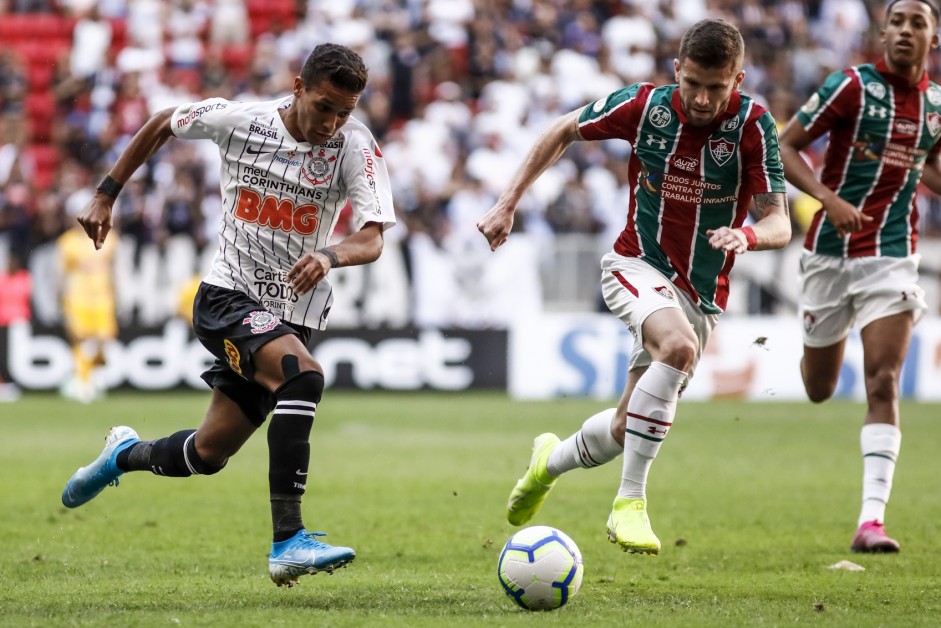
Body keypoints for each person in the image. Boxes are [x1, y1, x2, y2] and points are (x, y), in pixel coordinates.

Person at [61, 43, 396, 587]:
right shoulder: (242, 121)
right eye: (324, 106)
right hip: (227, 297)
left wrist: (329, 254)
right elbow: (163, 121)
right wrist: (106, 194)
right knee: (303, 376)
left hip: (296, 314)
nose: (332, 123)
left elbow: (374, 237)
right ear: (297, 87)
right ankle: (289, 540)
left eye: (345, 112)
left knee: (207, 453)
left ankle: (122, 455)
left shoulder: (354, 146)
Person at [478, 19, 791, 555]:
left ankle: (546, 464)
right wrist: (508, 203)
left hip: (699, 294)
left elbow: (779, 224)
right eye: (692, 82)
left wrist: (746, 235)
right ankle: (630, 501)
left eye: (716, 87)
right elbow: (561, 129)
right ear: (677, 71)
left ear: (737, 80)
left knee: (630, 424)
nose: (700, 98)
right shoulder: (647, 107)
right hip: (635, 264)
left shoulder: (753, 127)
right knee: (678, 347)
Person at [778, 0, 941, 553]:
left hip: (892, 254)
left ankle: (871, 521)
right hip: (828, 252)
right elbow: (786, 144)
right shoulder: (850, 86)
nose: (903, 31)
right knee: (819, 388)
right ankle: (820, 340)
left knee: (883, 380)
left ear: (932, 40)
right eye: (896, 22)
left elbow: (929, 164)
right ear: (883, 31)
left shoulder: (936, 107)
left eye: (917, 23)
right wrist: (827, 197)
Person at [57, 187, 118, 403]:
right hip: (77, 297)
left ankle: (91, 377)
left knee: (103, 340)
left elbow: (113, 270)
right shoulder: (67, 242)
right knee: (81, 340)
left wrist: (118, 294)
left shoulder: (110, 239)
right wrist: (60, 299)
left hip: (102, 296)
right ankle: (82, 381)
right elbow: (62, 275)